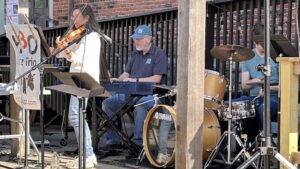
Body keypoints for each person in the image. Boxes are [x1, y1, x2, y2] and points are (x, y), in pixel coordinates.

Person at [102, 24, 168, 157]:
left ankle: (137, 144)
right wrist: (117, 80)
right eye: (135, 38)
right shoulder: (135, 54)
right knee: (108, 103)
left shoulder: (158, 54)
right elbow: (126, 74)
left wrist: (135, 81)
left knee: (141, 105)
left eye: (139, 38)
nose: (136, 41)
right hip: (130, 94)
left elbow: (156, 78)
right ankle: (113, 141)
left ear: (149, 39)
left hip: (151, 95)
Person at [54, 4, 100, 168]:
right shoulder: (79, 37)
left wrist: (67, 51)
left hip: (85, 79)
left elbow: (78, 59)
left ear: (86, 18)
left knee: (76, 116)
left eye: (76, 16)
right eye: (72, 16)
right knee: (77, 116)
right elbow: (62, 54)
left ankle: (87, 154)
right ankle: (88, 155)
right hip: (77, 78)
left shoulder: (92, 37)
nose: (73, 19)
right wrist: (60, 46)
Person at [241, 23, 279, 135]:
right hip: (254, 97)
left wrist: (268, 89)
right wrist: (256, 81)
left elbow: (285, 85)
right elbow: (244, 85)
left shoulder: (276, 55)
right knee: (226, 107)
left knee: (263, 108)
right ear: (255, 43)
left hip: (273, 98)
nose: (266, 46)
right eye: (262, 44)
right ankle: (227, 148)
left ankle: (264, 143)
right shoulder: (247, 56)